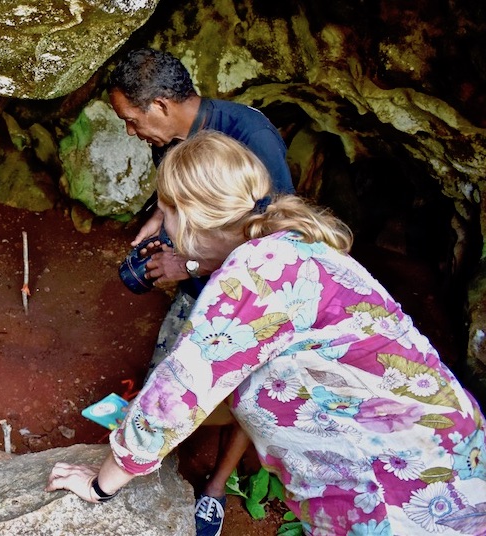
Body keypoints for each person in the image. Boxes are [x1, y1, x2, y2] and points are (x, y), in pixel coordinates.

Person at [47, 131, 486, 535]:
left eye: (166, 213)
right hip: (450, 451)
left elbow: (177, 393)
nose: (165, 227)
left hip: (398, 486)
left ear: (193, 216)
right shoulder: (292, 245)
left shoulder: (253, 277)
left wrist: (102, 484)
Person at [109, 47, 296, 535]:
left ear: (161, 106)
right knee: (171, 378)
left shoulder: (251, 138)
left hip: (254, 298)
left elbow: (272, 250)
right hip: (201, 279)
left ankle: (215, 487)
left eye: (131, 120)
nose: (131, 131)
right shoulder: (171, 135)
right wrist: (159, 221)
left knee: (246, 387)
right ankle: (152, 457)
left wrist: (186, 261)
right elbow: (183, 192)